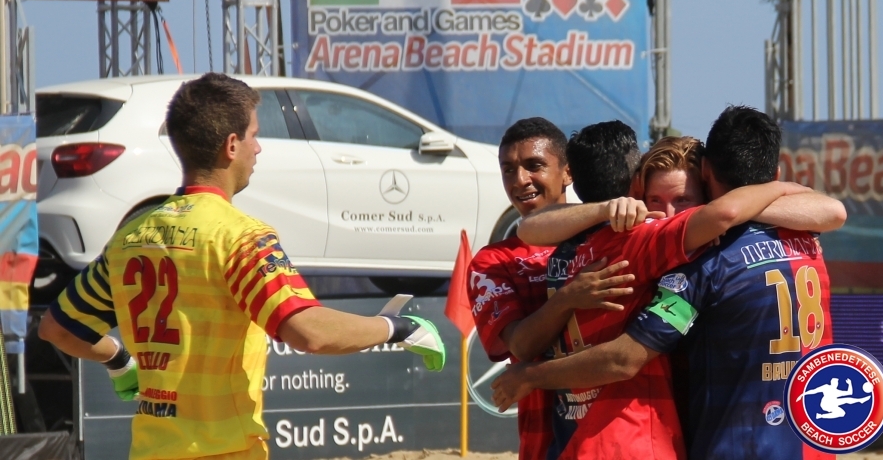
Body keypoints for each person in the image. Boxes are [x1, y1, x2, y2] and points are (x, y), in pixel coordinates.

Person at [37, 73, 446, 460]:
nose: (259, 148)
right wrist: (397, 328)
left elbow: (57, 328)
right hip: (224, 450)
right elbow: (310, 332)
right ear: (231, 145)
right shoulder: (241, 237)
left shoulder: (129, 237)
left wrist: (119, 361)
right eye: (254, 135)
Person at [493, 108, 842, 460]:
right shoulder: (806, 242)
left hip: (722, 444)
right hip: (810, 442)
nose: (670, 215)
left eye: (684, 201)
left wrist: (530, 375)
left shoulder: (702, 262)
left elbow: (625, 358)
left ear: (707, 181)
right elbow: (834, 211)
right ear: (636, 195)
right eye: (655, 202)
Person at [467, 117, 639, 460]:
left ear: (568, 172)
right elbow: (521, 345)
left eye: (534, 166)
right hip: (548, 446)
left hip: (627, 432)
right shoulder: (491, 262)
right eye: (508, 170)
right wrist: (567, 298)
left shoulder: (620, 235)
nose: (520, 180)